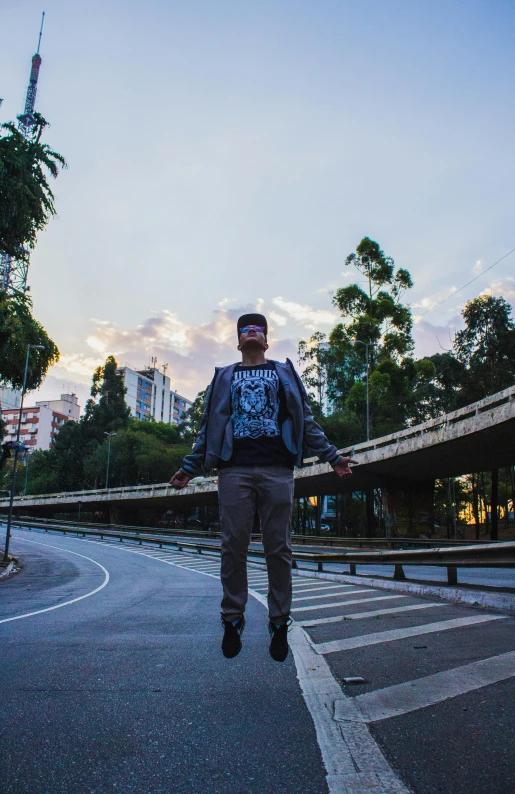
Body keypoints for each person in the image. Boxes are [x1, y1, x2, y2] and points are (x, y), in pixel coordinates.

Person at [170, 313, 355, 662]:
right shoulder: (224, 376)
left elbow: (307, 420)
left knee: (278, 549)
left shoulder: (283, 372)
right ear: (238, 341)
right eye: (245, 329)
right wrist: (190, 467)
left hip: (277, 469)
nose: (251, 331)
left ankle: (279, 620)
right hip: (233, 471)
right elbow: (207, 425)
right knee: (233, 547)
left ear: (266, 340)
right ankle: (232, 618)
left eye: (258, 329)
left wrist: (332, 457)